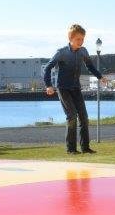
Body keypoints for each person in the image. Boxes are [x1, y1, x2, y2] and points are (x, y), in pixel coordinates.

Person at [43, 24, 108, 154]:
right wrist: (48, 85)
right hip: (63, 89)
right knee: (72, 116)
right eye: (78, 39)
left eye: (82, 39)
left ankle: (85, 148)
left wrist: (100, 77)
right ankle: (71, 149)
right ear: (70, 38)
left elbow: (90, 66)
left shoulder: (83, 51)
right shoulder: (61, 52)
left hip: (76, 88)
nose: (81, 41)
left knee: (84, 117)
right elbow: (48, 67)